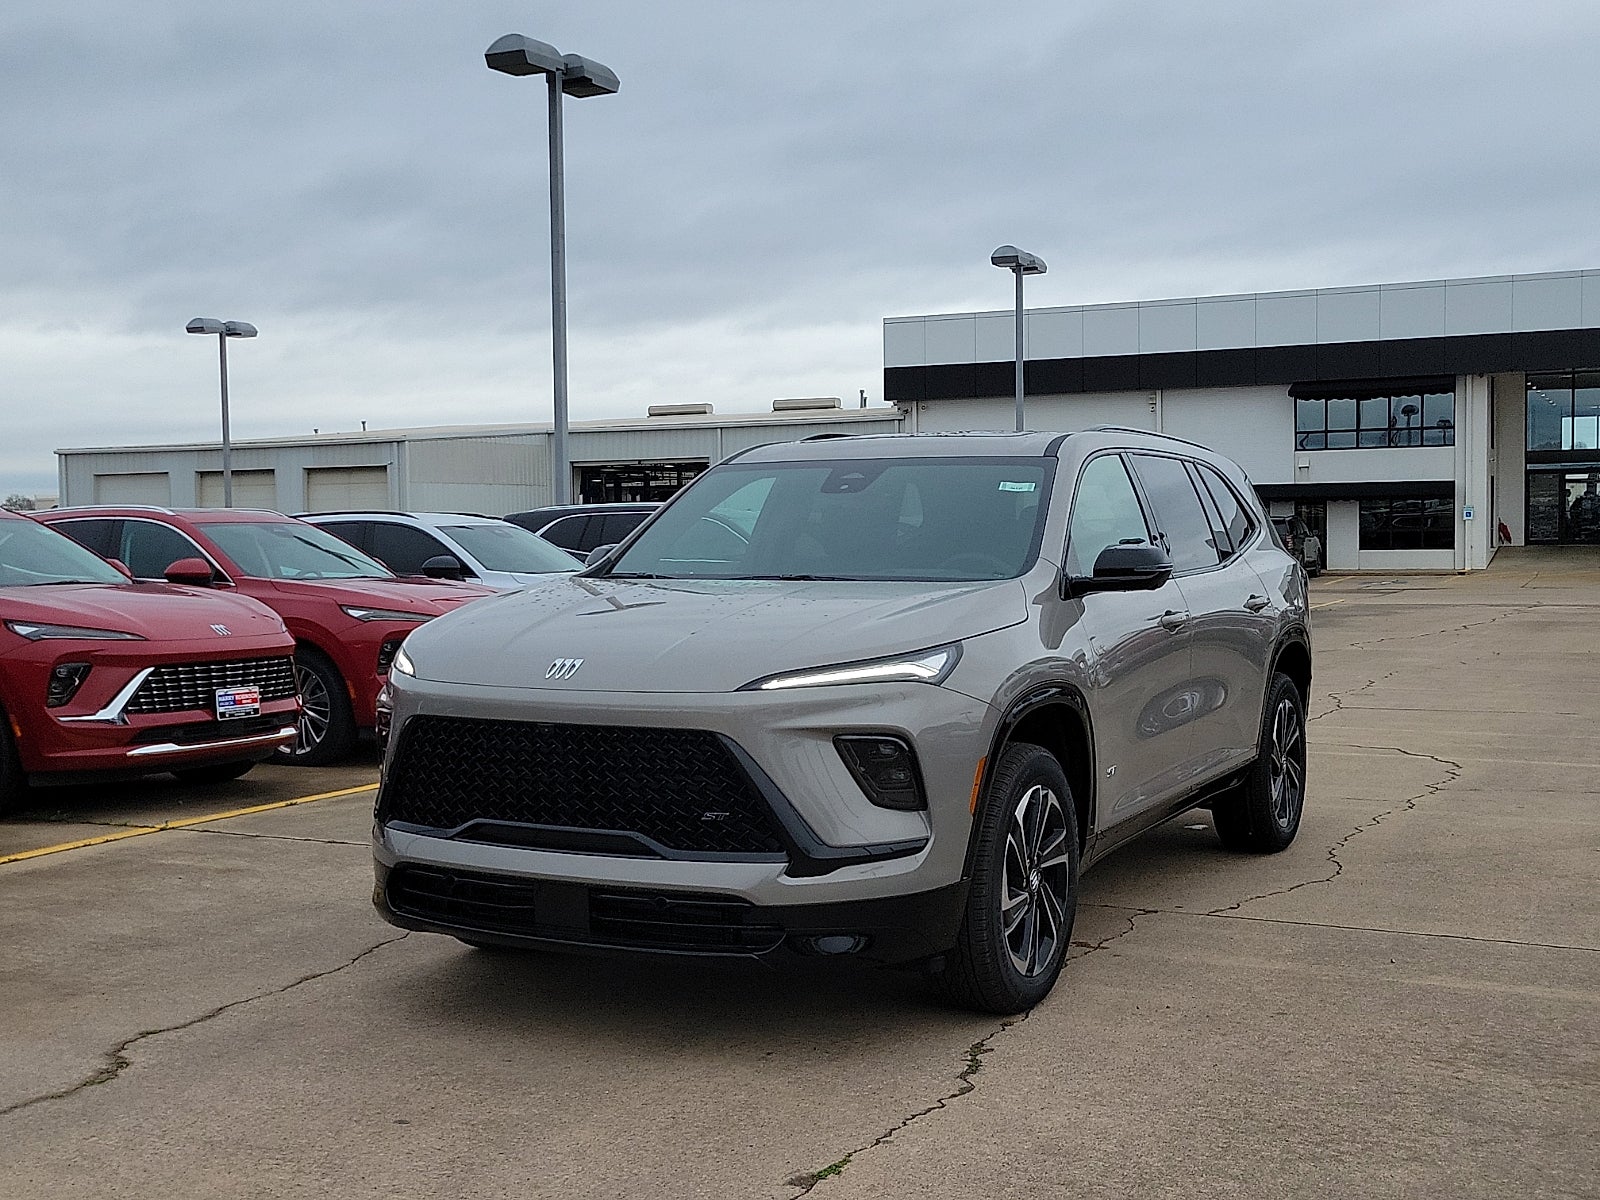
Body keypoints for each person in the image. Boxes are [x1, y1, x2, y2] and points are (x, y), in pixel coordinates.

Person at [1570, 475, 1600, 542]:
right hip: (1583, 520)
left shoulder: (1596, 502)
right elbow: (1573, 510)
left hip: (1592, 520)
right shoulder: (1579, 501)